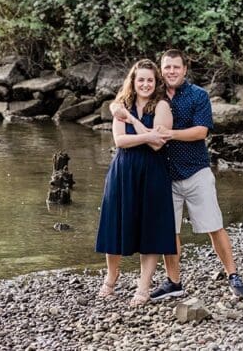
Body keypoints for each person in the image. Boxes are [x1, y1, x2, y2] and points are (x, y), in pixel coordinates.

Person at [111, 49, 243, 300]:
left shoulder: (198, 95)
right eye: (167, 67)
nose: (171, 71)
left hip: (196, 170)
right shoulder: (156, 94)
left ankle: (233, 275)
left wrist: (167, 134)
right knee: (168, 231)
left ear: (185, 69)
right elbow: (124, 99)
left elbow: (201, 132)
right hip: (164, 174)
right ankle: (174, 282)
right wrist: (116, 109)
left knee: (213, 225)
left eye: (176, 67)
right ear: (161, 69)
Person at [94, 59, 176, 306]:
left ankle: (143, 285)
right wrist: (147, 133)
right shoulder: (121, 105)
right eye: (140, 79)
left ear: (156, 82)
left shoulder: (162, 106)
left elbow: (157, 144)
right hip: (124, 170)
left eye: (150, 80)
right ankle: (111, 275)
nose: (145, 84)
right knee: (115, 223)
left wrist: (134, 121)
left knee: (150, 228)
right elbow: (119, 141)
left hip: (153, 172)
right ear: (133, 81)